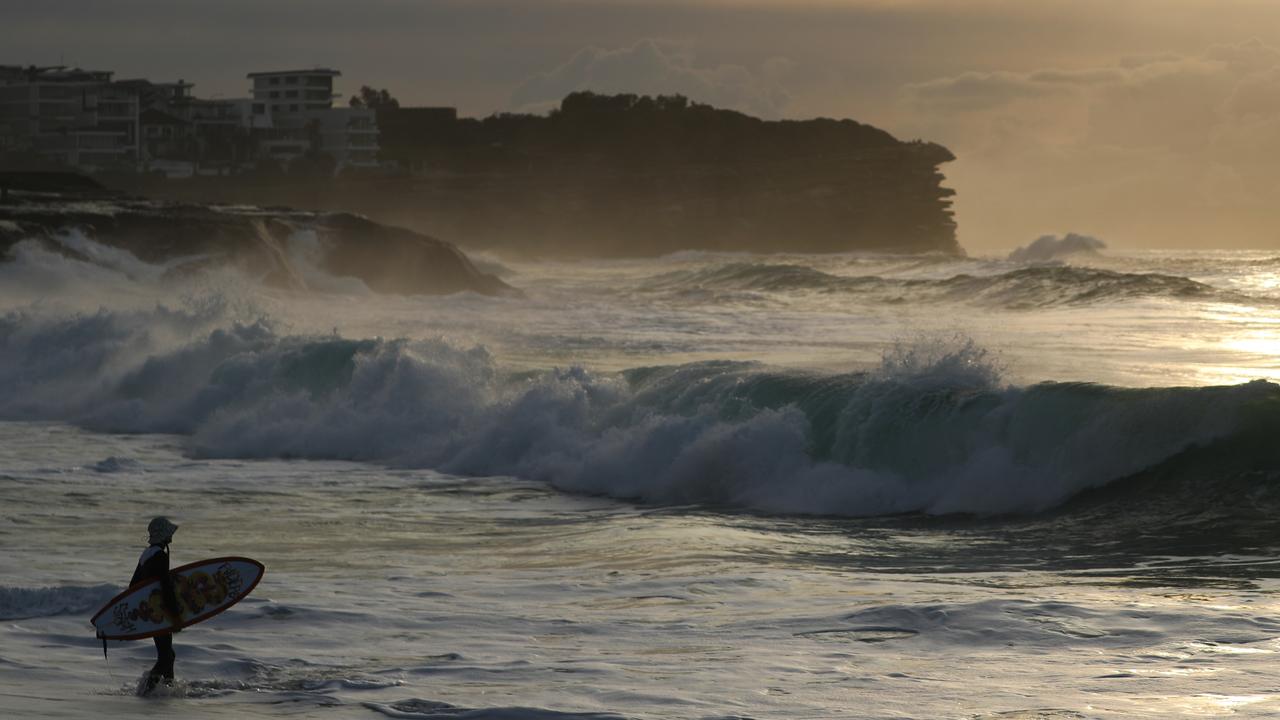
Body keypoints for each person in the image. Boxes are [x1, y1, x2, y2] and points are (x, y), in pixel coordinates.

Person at [132, 516, 182, 694]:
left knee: (167, 654)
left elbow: (133, 586)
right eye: (169, 532)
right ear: (163, 534)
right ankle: (146, 691)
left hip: (151, 612)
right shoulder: (159, 555)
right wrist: (175, 615)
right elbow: (165, 586)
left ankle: (169, 689)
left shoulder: (147, 554)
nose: (172, 536)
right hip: (160, 612)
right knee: (166, 656)